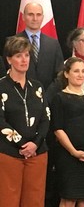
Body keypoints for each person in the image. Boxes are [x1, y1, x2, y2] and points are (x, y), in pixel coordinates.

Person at [0, 36, 50, 206]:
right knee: (8, 200)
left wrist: (35, 144)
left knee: (34, 201)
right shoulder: (1, 87)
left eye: (27, 55)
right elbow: (1, 122)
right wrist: (22, 144)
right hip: (9, 154)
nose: (24, 60)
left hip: (37, 152)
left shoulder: (37, 86)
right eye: (18, 55)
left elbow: (46, 118)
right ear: (9, 59)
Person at [50, 57, 84, 207]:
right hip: (68, 157)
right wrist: (74, 152)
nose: (80, 75)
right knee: (69, 199)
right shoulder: (59, 98)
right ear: (66, 74)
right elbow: (58, 129)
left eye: (83, 71)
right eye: (76, 71)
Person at [14, 2, 64, 91]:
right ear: (23, 17)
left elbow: (60, 74)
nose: (35, 18)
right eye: (30, 14)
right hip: (20, 96)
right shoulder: (13, 42)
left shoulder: (53, 44)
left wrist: (46, 97)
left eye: (38, 15)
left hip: (49, 99)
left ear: (43, 17)